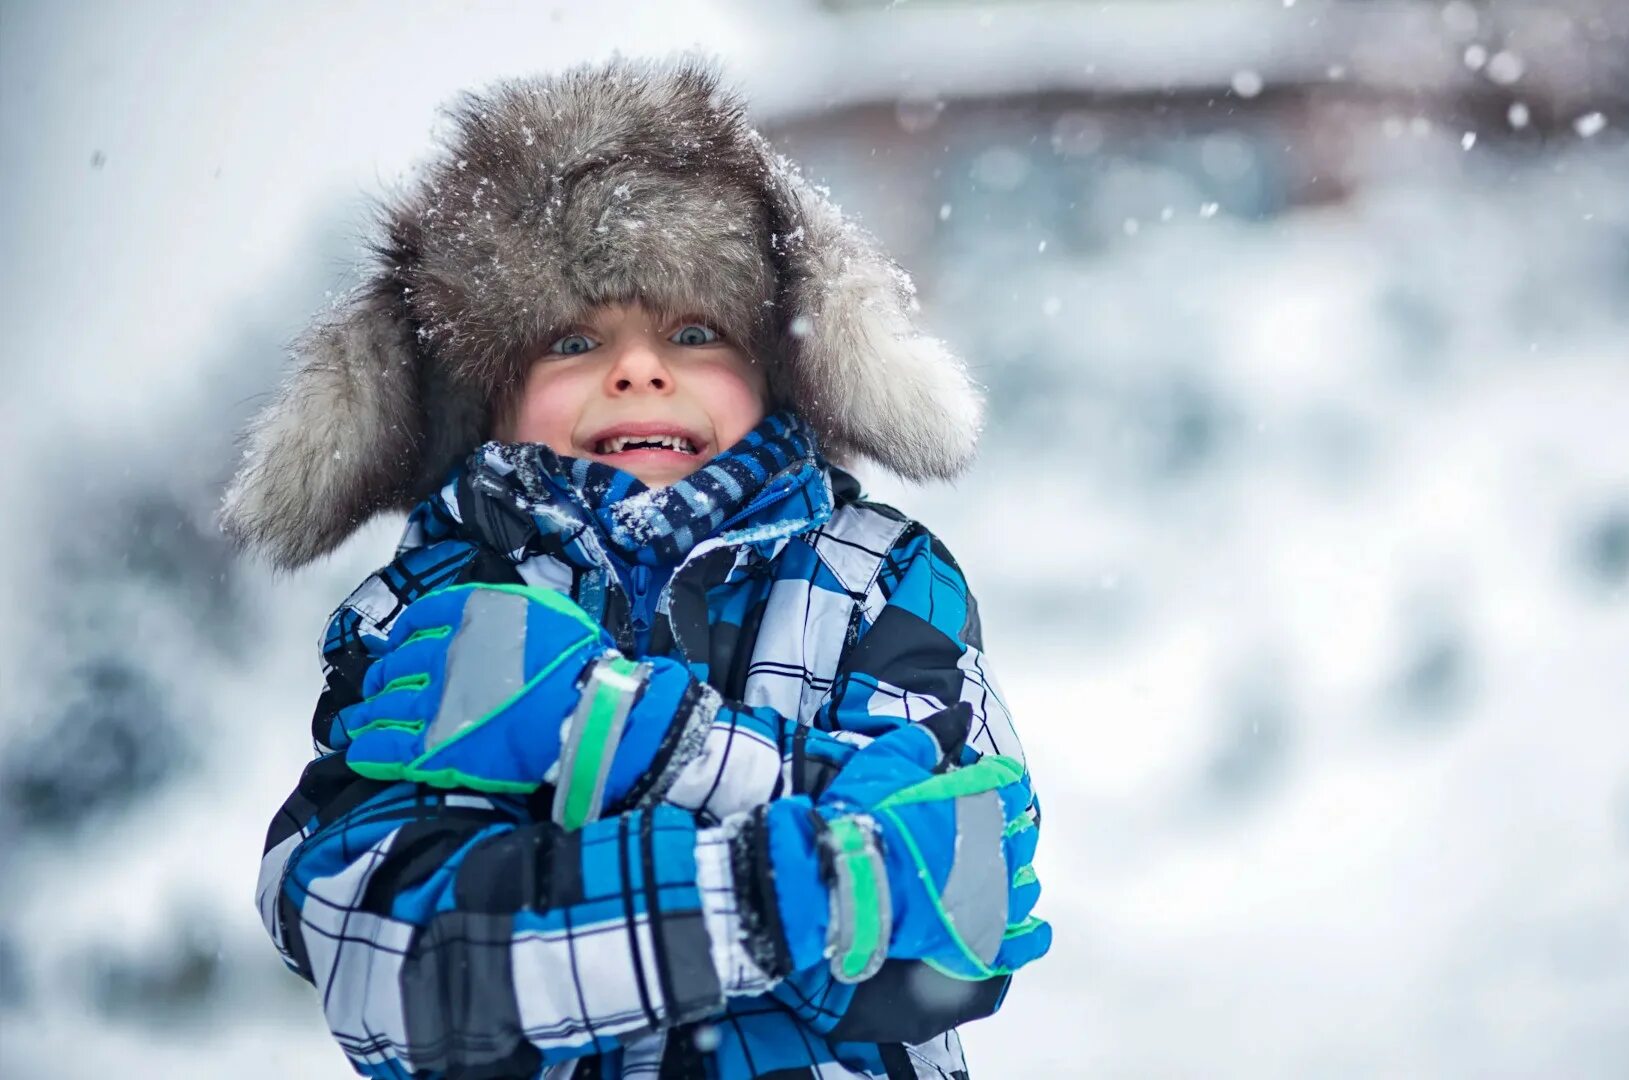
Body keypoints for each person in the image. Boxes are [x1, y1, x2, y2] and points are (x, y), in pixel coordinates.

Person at [224, 58, 1050, 1080]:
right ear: (488, 393)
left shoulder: (882, 580)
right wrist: (806, 886)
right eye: (572, 340)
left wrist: (626, 735)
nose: (638, 369)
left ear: (779, 365)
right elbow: (392, 971)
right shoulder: (425, 611)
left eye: (695, 330)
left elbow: (960, 920)